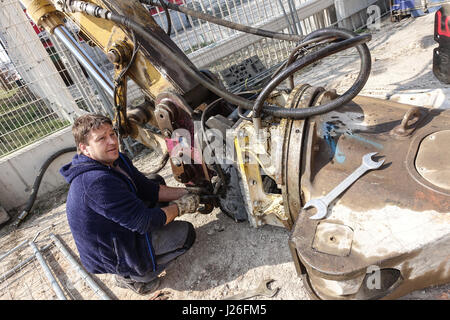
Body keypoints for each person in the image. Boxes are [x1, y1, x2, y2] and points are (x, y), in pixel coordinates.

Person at [60, 113, 201, 295]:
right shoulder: (95, 183)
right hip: (115, 251)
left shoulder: (117, 159)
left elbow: (147, 188)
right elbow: (144, 222)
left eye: (112, 134)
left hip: (119, 229)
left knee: (155, 180)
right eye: (101, 139)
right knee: (186, 234)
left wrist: (187, 192)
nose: (112, 142)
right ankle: (135, 277)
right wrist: (181, 207)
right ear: (85, 148)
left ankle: (143, 257)